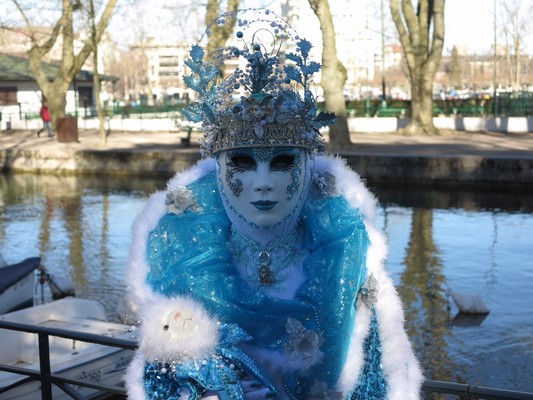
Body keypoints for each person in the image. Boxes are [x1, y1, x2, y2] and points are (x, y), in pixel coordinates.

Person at [125, 9, 422, 400]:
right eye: (243, 163)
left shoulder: (346, 254)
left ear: (304, 165)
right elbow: (157, 382)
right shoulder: (175, 253)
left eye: (282, 162)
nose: (263, 184)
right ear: (219, 170)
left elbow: (380, 383)